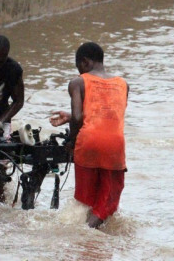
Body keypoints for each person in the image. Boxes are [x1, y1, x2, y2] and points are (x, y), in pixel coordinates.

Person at [49, 42, 129, 228]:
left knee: (85, 201)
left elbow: (78, 117)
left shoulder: (78, 82)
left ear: (84, 62)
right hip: (113, 147)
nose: (79, 73)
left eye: (79, 68)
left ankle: (81, 236)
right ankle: (88, 235)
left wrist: (71, 140)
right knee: (107, 202)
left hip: (87, 145)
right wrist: (72, 118)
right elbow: (109, 114)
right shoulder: (123, 84)